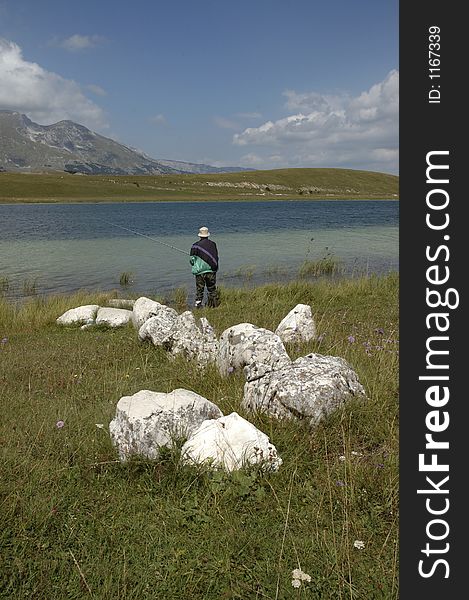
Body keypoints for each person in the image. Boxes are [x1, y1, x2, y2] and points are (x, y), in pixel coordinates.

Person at [189, 226, 219, 308]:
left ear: (200, 236)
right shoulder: (213, 244)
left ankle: (198, 306)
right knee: (212, 289)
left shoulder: (195, 246)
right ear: (208, 235)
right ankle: (214, 305)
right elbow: (216, 257)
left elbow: (191, 260)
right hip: (211, 270)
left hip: (200, 272)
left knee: (199, 290)